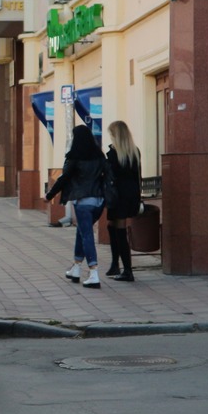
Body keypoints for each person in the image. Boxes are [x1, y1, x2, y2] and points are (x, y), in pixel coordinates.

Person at [45, 124, 109, 289]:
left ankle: (94, 273)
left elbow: (64, 178)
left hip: (82, 202)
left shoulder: (74, 157)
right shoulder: (99, 156)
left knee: (86, 234)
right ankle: (76, 268)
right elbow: (109, 176)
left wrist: (50, 195)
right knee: (82, 232)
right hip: (99, 202)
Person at [105, 120, 142, 282]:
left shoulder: (114, 153)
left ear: (116, 135)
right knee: (112, 226)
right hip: (131, 194)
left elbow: (110, 175)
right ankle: (115, 264)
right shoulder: (135, 151)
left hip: (118, 195)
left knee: (119, 230)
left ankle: (127, 270)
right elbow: (137, 177)